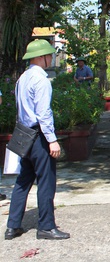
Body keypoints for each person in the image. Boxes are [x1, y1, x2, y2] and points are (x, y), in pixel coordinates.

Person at [5, 39, 70, 241]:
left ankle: (12, 226)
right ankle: (46, 226)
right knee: (46, 182)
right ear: (41, 57)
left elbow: (20, 110)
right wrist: (52, 140)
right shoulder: (41, 80)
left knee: (23, 181)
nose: (51, 58)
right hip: (39, 136)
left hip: (24, 135)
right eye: (49, 55)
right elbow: (43, 113)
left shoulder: (22, 78)